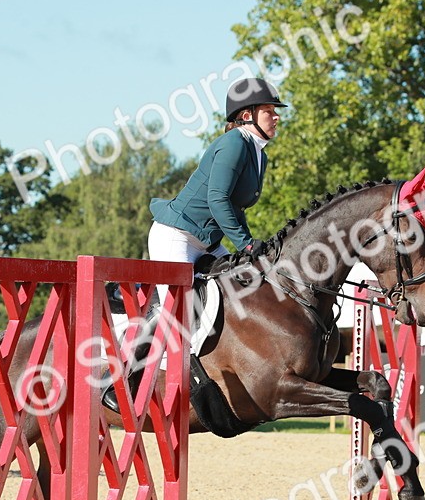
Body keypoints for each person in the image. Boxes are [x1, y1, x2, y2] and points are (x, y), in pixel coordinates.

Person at [102, 77, 287, 413]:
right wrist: (245, 244)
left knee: (244, 284)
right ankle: (120, 380)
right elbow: (217, 198)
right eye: (269, 110)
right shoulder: (233, 143)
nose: (276, 117)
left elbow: (234, 206)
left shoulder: (259, 155)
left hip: (207, 240)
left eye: (276, 111)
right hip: (176, 234)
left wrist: (249, 249)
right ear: (246, 114)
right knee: (176, 304)